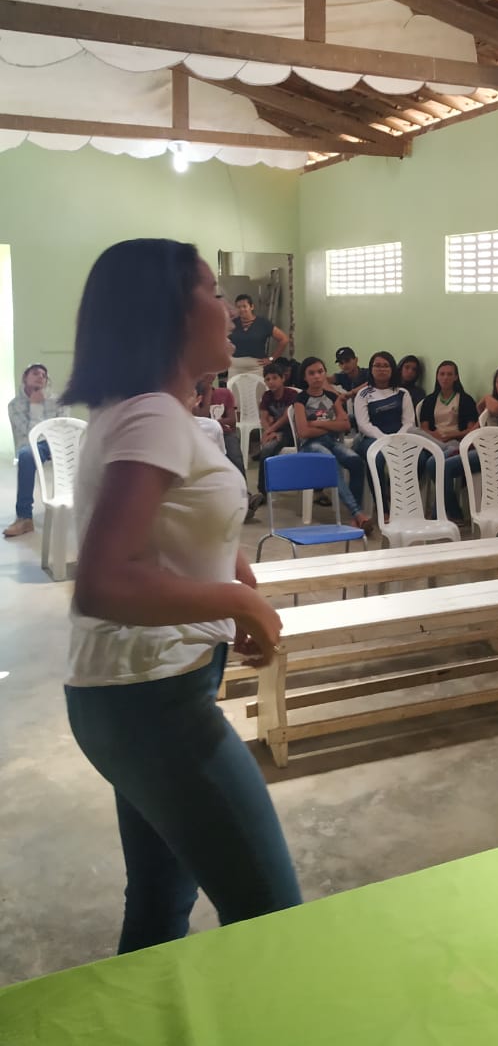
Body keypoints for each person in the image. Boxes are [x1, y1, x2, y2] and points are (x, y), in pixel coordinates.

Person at [60, 238, 300, 954]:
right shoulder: (154, 417)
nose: (230, 310)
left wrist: (233, 573)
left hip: (135, 693)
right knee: (272, 917)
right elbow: (104, 580)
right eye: (211, 293)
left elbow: (172, 521)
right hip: (152, 700)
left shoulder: (150, 412)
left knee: (163, 899)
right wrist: (240, 603)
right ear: (170, 311)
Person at [293, 358, 371, 533]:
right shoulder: (300, 399)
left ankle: (354, 516)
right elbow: (303, 432)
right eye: (311, 373)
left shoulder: (333, 397)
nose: (317, 376)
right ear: (305, 377)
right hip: (310, 445)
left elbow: (345, 425)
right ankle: (357, 513)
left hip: (332, 442)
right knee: (330, 461)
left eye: (320, 371)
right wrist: (332, 424)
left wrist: (317, 424)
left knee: (356, 462)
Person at [5, 363, 66, 538]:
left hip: (55, 442)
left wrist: (53, 440)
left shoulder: (58, 401)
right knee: (26, 455)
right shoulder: (14, 405)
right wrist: (36, 406)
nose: (40, 377)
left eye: (44, 375)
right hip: (31, 444)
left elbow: (64, 428)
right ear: (25, 378)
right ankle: (24, 518)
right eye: (35, 373)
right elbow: (30, 436)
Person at [416, 360, 480, 519]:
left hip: (455, 441)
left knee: (434, 463)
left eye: (449, 374)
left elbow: (470, 430)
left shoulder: (465, 399)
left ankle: (443, 513)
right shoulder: (430, 400)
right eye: (442, 374)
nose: (445, 378)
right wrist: (435, 436)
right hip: (433, 440)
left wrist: (451, 435)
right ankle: (452, 511)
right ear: (437, 377)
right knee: (412, 430)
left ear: (456, 377)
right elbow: (424, 428)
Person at [354, 352, 415, 505]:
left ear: (392, 369)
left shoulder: (402, 393)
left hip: (400, 438)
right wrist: (384, 439)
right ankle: (383, 506)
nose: (381, 369)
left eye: (386, 366)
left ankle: (401, 499)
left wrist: (397, 438)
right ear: (371, 369)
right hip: (371, 439)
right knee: (377, 459)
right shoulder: (363, 394)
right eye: (377, 366)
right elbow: (363, 424)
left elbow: (409, 422)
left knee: (419, 459)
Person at [252, 362, 300, 504]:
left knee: (267, 449)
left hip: (291, 432)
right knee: (267, 448)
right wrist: (269, 432)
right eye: (267, 379)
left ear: (282, 378)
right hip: (275, 431)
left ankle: (263, 490)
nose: (271, 382)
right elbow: (263, 417)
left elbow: (286, 418)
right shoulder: (267, 396)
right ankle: (263, 491)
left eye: (274, 378)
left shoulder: (291, 394)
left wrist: (270, 431)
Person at [228, 294, 288, 374]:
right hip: (235, 367)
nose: (241, 309)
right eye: (238, 307)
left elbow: (284, 339)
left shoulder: (263, 323)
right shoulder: (232, 323)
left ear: (252, 307)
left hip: (257, 367)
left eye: (244, 306)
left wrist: (271, 358)